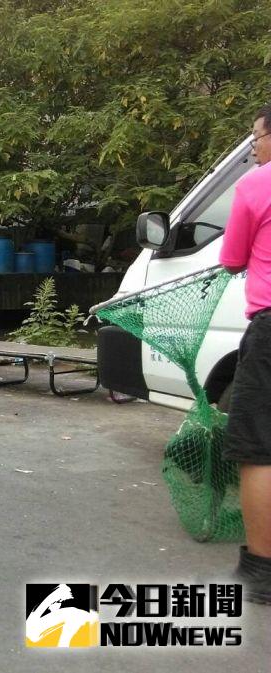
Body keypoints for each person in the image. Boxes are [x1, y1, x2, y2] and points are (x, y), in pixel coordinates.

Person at [218, 104, 271, 605]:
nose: (253, 146)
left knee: (258, 446)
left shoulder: (258, 184)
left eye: (257, 136)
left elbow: (232, 257)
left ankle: (262, 570)